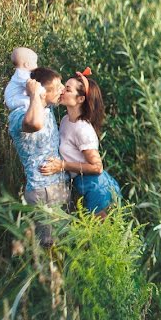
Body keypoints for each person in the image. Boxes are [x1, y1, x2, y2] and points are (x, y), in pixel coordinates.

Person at [40, 68, 121, 215]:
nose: (62, 91)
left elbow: (97, 167)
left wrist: (62, 166)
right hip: (84, 186)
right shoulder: (66, 120)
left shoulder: (82, 129)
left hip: (98, 189)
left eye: (68, 89)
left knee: (99, 236)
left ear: (80, 99)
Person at [7, 66, 69, 244]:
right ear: (41, 90)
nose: (62, 89)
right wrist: (34, 94)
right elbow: (33, 124)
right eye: (57, 86)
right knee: (49, 248)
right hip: (43, 192)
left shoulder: (48, 111)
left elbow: (25, 56)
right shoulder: (18, 115)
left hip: (60, 186)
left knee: (65, 245)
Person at [4, 47, 38, 112]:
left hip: (16, 98)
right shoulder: (21, 75)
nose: (37, 65)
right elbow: (31, 85)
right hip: (13, 99)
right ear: (27, 65)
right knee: (31, 101)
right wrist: (43, 90)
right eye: (35, 63)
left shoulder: (22, 73)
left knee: (31, 100)